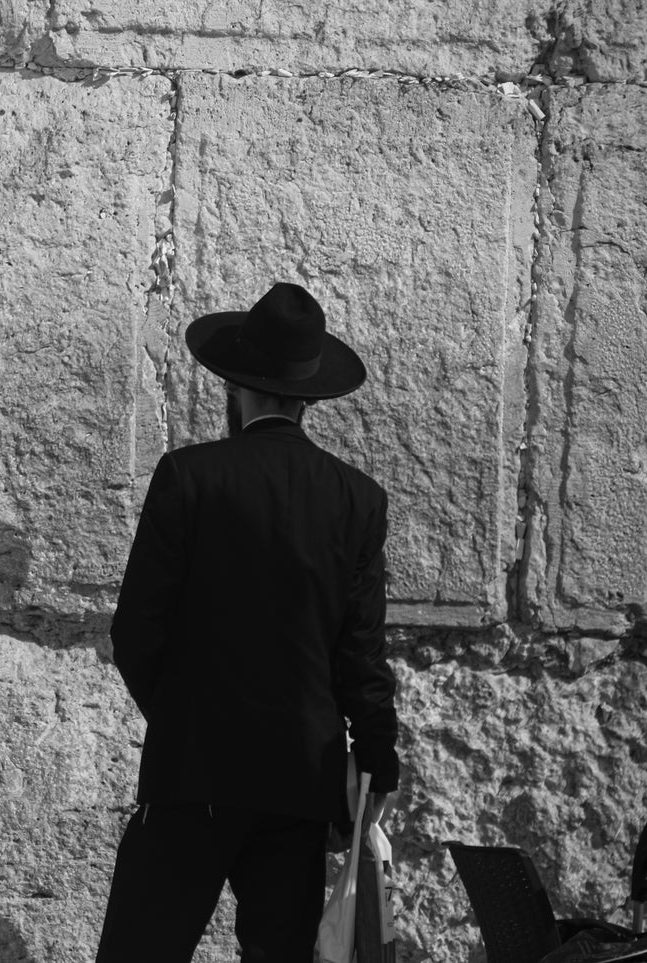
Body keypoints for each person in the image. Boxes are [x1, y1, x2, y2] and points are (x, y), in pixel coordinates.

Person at [96, 282, 400, 962]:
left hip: (193, 774)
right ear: (307, 397)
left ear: (233, 389)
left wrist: (182, 717)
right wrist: (377, 762)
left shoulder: (188, 477)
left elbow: (135, 631)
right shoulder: (357, 500)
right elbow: (361, 656)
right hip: (298, 781)